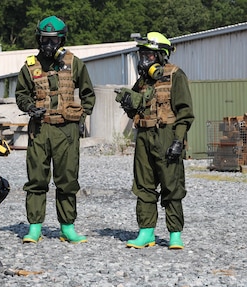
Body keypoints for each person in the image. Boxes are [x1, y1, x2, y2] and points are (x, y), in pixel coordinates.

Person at [15, 15, 96, 244]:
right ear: (38, 39)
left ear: (62, 40)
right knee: (36, 179)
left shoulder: (74, 63)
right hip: (40, 130)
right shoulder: (30, 66)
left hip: (66, 130)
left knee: (67, 179)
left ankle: (67, 227)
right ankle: (34, 228)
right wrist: (30, 107)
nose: (48, 45)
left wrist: (82, 116)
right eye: (44, 40)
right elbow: (21, 94)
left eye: (53, 40)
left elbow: (89, 94)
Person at [115, 32, 194, 249]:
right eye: (142, 54)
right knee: (144, 185)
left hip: (166, 135)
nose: (144, 59)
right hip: (144, 137)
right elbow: (135, 112)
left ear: (161, 55)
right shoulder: (142, 81)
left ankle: (175, 234)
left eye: (149, 55)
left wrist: (179, 141)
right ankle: (146, 232)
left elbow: (185, 113)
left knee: (172, 185)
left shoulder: (175, 76)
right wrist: (129, 104)